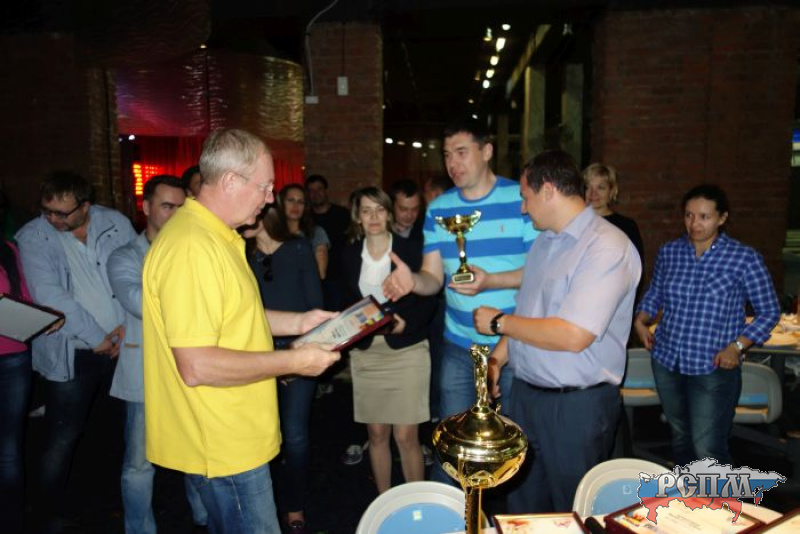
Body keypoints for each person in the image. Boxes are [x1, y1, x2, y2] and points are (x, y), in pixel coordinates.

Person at [142, 128, 339, 533]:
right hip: (223, 442)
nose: (270, 198)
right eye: (265, 187)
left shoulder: (216, 235)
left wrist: (300, 322)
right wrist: (294, 362)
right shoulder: (193, 247)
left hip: (233, 433)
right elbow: (196, 365)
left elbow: (236, 315)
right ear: (231, 181)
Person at [473, 150, 641, 513]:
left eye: (525, 197)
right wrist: (497, 359)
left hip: (576, 405)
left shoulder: (606, 246)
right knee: (522, 509)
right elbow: (530, 313)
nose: (523, 208)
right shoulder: (545, 242)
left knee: (572, 511)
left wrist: (499, 322)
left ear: (548, 190)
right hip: (526, 396)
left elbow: (573, 335)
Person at [383, 118, 538, 482]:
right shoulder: (439, 209)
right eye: (447, 154)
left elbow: (541, 272)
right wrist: (412, 282)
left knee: (513, 446)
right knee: (453, 447)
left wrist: (491, 281)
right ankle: (453, 510)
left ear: (487, 151)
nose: (452, 162)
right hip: (458, 346)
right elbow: (433, 278)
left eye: (462, 152)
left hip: (513, 344)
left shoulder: (520, 199)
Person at [16, 171, 135, 533]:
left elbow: (138, 273)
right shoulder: (33, 236)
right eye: (47, 210)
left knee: (112, 430)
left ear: (85, 206)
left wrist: (127, 326)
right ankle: (47, 513)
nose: (53, 219)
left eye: (62, 213)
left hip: (121, 345)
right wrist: (97, 337)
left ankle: (106, 503)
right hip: (73, 351)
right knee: (62, 436)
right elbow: (50, 295)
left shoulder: (114, 222)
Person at [633, 184, 780, 466]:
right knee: (680, 437)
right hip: (667, 359)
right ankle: (688, 493)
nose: (694, 224)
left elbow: (769, 311)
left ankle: (715, 496)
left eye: (704, 217)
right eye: (689, 215)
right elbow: (655, 293)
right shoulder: (670, 252)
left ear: (722, 218)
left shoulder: (743, 258)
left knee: (707, 448)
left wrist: (737, 347)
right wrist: (641, 320)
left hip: (713, 365)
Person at [107, 175, 188, 534]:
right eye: (167, 206)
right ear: (146, 207)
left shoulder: (192, 251)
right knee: (139, 462)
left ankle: (205, 516)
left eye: (181, 207)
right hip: (144, 370)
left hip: (189, 365)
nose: (175, 214)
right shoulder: (125, 255)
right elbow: (139, 304)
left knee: (197, 449)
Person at [341, 187, 436, 494]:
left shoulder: (411, 249)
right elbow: (344, 303)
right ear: (357, 216)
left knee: (406, 437)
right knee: (377, 435)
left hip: (407, 350)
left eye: (379, 209)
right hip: (368, 353)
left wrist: (406, 323)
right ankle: (384, 503)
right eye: (366, 210)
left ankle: (416, 505)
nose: (373, 217)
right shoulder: (348, 254)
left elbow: (431, 298)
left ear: (389, 214)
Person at [242, 204, 323, 533]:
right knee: (258, 434)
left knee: (295, 435)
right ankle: (263, 502)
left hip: (299, 351)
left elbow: (315, 307)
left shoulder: (298, 248)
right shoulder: (240, 253)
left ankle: (294, 504)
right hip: (255, 355)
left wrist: (294, 359)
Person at [0, 239, 34, 534]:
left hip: (13, 357)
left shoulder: (7, 249)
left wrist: (40, 318)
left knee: (9, 452)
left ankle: (12, 524)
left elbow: (23, 296)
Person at [583, 163, 644, 269]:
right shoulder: (574, 223)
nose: (593, 193)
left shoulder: (627, 226)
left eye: (600, 188)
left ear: (611, 192)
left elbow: (636, 268)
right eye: (588, 187)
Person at [306, 174, 350, 311]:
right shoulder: (306, 218)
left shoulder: (343, 215)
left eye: (319, 189)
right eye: (311, 190)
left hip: (341, 277)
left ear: (326, 191)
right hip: (316, 279)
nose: (316, 194)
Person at [279, 184, 330, 280]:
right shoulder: (272, 232)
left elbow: (321, 273)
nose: (295, 206)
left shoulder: (316, 232)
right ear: (281, 203)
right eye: (291, 200)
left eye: (300, 202)